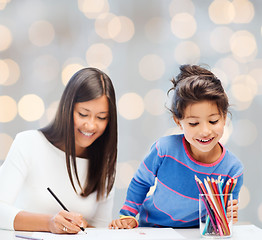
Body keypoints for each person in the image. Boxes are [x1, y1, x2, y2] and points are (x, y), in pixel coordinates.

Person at [109, 64, 243, 229]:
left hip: (196, 234)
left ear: (224, 117)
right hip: (152, 228)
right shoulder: (164, 149)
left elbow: (222, 219)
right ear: (178, 122)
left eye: (213, 121)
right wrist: (127, 215)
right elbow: (141, 182)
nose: (205, 131)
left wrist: (228, 216)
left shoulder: (233, 169)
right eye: (193, 123)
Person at [0, 67, 117, 234]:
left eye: (101, 117)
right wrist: (49, 222)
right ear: (67, 109)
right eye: (83, 114)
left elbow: (100, 231)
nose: (91, 125)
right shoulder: (29, 143)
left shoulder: (104, 164)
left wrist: (81, 225)